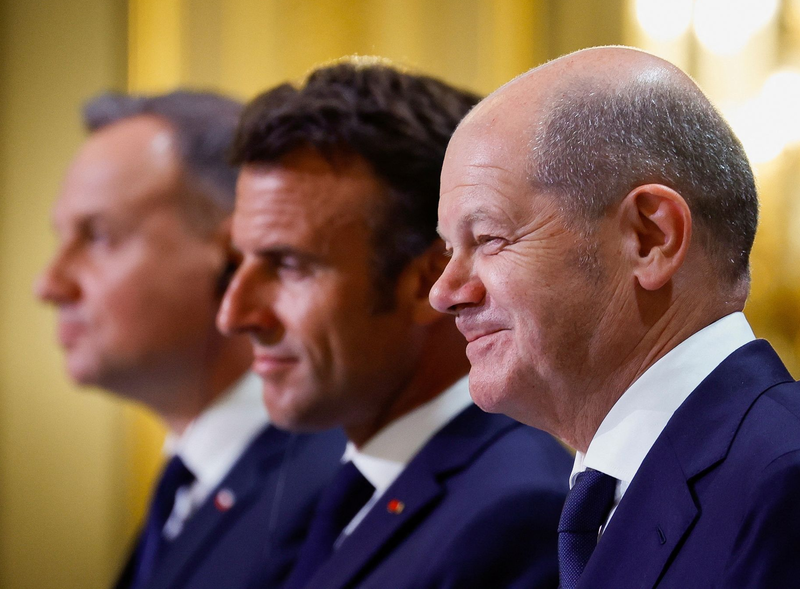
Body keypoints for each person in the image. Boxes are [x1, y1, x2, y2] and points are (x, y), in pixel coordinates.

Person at [430, 45, 800, 588]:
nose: (445, 292)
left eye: (488, 239)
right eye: (448, 251)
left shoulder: (783, 484)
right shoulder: (607, 495)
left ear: (651, 238)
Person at [216, 59, 572, 589]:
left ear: (430, 279)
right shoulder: (320, 477)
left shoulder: (513, 515)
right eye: (238, 261)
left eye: (289, 265)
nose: (235, 315)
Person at [35, 91, 344, 589]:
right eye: (61, 237)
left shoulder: (338, 496)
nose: (49, 285)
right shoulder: (188, 481)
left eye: (98, 236)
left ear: (235, 253)